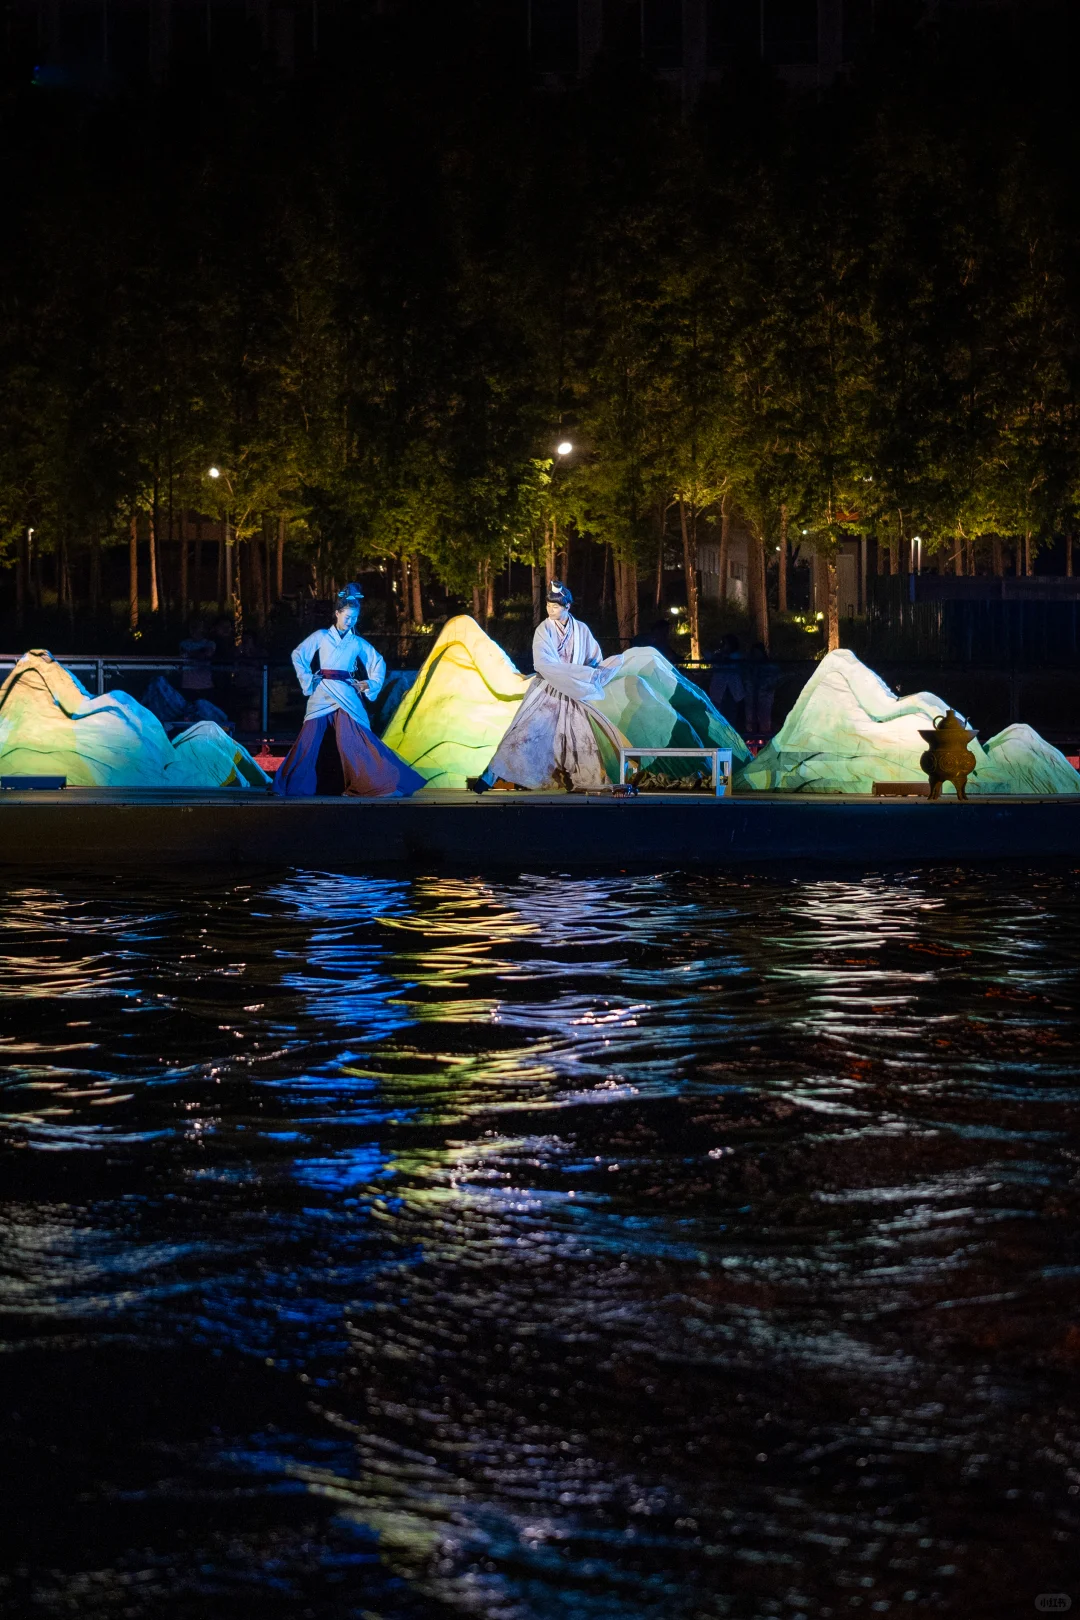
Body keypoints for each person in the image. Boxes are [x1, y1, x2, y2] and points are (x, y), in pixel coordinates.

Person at [273, 583, 425, 798]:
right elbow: (299, 655)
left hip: (346, 691)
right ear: (336, 614)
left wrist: (369, 684)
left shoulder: (356, 642)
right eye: (347, 616)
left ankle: (374, 783)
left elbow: (377, 662)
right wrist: (309, 678)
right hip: (323, 689)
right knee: (309, 738)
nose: (350, 621)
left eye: (354, 617)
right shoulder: (321, 636)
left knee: (353, 738)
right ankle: (290, 786)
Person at [469, 581, 622, 793]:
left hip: (572, 695)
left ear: (567, 607)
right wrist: (575, 673)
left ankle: (586, 781)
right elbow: (543, 663)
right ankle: (488, 778)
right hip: (546, 692)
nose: (551, 609)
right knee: (522, 733)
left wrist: (589, 673)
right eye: (549, 605)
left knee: (580, 739)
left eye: (556, 606)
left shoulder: (581, 630)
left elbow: (593, 658)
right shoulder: (544, 629)